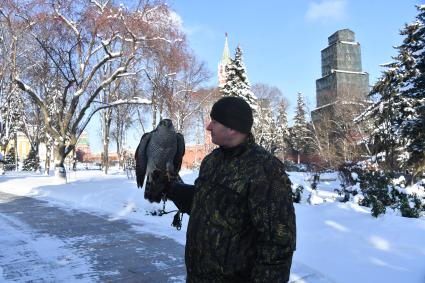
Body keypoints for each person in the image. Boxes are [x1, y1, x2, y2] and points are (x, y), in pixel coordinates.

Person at [166, 96, 296, 282]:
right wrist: (173, 188)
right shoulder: (212, 161)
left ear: (232, 127)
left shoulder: (264, 169)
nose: (208, 127)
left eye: (215, 122)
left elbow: (278, 243)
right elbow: (206, 205)